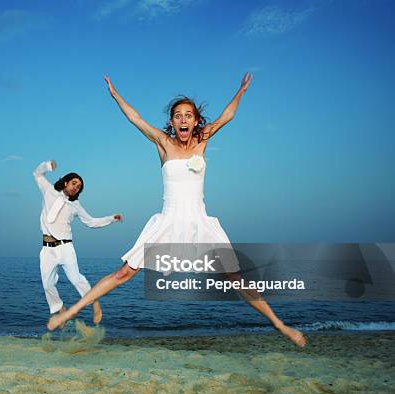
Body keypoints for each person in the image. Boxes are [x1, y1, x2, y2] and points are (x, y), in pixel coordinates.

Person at [47, 74, 307, 347]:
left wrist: (241, 91)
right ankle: (73, 312)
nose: (183, 120)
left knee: (236, 277)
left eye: (188, 115)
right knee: (124, 273)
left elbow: (227, 116)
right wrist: (116, 96)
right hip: (169, 222)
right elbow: (136, 119)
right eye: (178, 116)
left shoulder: (202, 140)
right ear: (172, 122)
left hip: (199, 223)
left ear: (196, 121)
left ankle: (280, 325)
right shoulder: (163, 143)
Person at [34, 159, 122, 326]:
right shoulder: (49, 191)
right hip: (47, 249)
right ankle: (60, 310)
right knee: (47, 284)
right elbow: (37, 174)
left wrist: (111, 219)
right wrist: (47, 166)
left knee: (76, 279)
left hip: (66, 247)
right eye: (74, 183)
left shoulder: (76, 205)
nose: (76, 187)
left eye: (79, 187)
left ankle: (95, 303)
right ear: (66, 182)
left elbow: (91, 222)